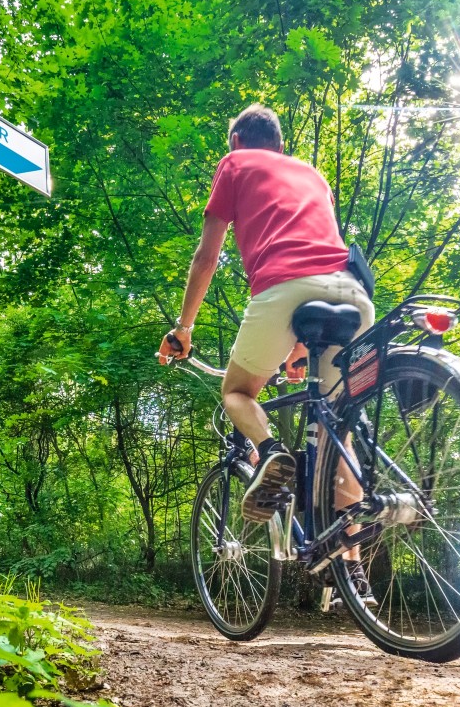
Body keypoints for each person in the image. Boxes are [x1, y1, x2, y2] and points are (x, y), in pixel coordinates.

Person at [156, 103, 375, 595]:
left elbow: (207, 254)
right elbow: (317, 253)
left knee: (237, 391)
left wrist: (183, 328)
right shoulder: (313, 175)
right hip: (353, 293)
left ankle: (272, 452)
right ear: (279, 144)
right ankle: (353, 570)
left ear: (237, 143)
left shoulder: (235, 165)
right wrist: (300, 346)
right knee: (335, 427)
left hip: (284, 287)